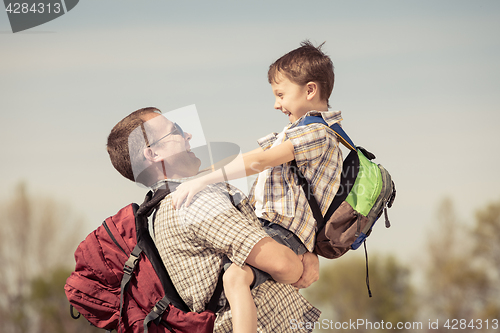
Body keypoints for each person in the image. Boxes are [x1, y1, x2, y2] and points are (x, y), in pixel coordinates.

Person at [171, 40, 343, 332]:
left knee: (235, 277)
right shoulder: (305, 131)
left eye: (281, 94)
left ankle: (291, 267)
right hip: (273, 228)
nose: (276, 103)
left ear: (310, 90)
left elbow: (260, 160)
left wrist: (203, 179)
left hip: (282, 231)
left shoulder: (317, 133)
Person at [106, 107, 321, 333]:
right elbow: (281, 263)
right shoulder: (195, 200)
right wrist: (304, 263)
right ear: (153, 154)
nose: (187, 135)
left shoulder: (157, 212)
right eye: (175, 131)